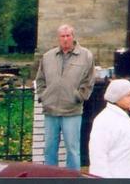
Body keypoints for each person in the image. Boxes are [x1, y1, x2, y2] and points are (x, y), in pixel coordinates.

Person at [35, 24, 95, 170]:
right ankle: (50, 179)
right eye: (62, 36)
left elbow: (89, 80)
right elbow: (40, 79)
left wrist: (79, 96)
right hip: (50, 112)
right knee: (49, 150)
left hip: (71, 111)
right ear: (58, 38)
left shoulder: (86, 55)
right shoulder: (48, 56)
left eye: (68, 36)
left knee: (73, 151)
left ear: (73, 37)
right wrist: (44, 96)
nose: (66, 39)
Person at [88, 79, 130, 178]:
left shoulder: (126, 116)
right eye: (128, 95)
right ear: (117, 98)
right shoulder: (104, 121)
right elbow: (98, 156)